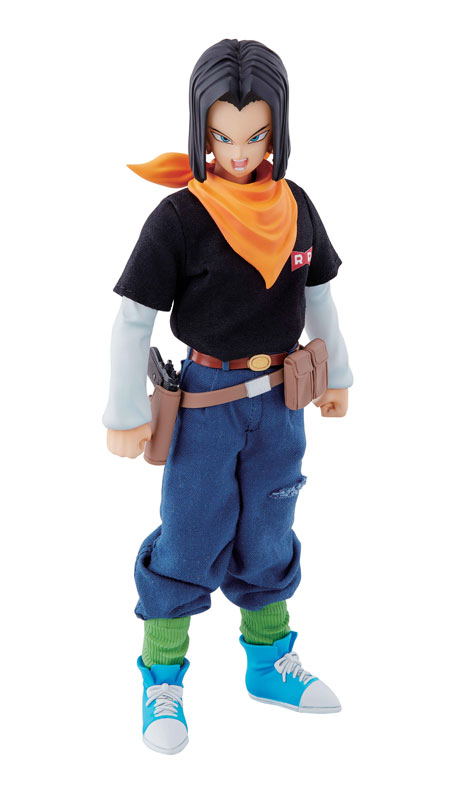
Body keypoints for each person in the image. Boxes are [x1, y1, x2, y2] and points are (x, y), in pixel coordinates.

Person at [103, 38, 353, 755]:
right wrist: (125, 410)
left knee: (270, 530)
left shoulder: (296, 207)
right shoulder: (181, 217)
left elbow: (320, 295)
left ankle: (269, 661)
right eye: (223, 137)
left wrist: (337, 374)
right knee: (188, 536)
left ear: (278, 130)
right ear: (201, 130)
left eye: (255, 136)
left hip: (281, 400)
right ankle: (163, 676)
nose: (239, 153)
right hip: (206, 403)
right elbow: (133, 317)